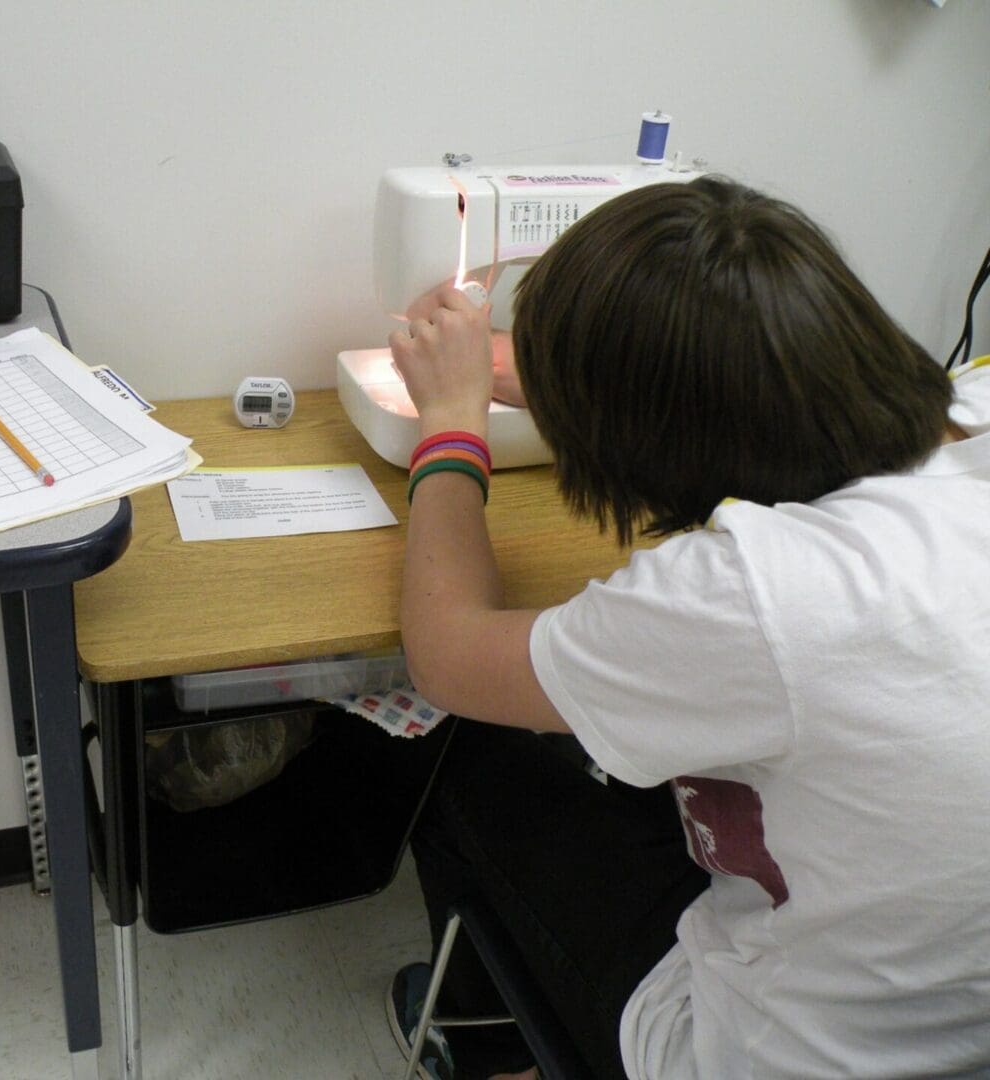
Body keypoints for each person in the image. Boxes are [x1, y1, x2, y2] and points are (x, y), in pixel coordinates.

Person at [381, 174, 990, 1079]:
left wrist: (451, 421)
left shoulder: (750, 591)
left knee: (473, 754)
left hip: (773, 1058)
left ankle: (485, 1048)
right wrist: (548, 373)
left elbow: (446, 649)